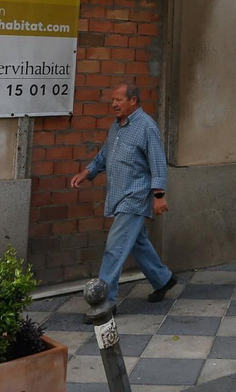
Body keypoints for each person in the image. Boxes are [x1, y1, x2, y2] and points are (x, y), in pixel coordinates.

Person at [70, 81, 177, 305]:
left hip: (135, 197)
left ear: (133, 100)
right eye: (112, 100)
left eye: (118, 100)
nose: (114, 104)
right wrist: (87, 172)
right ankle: (163, 279)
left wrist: (159, 196)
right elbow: (105, 154)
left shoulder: (147, 127)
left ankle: (103, 302)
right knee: (137, 242)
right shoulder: (117, 127)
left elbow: (158, 163)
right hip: (118, 195)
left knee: (115, 248)